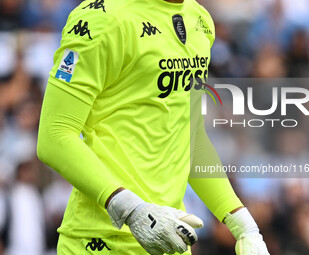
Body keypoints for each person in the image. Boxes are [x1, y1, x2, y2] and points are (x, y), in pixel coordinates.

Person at [37, 0, 270, 254]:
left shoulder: (199, 20)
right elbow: (55, 135)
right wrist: (132, 210)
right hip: (101, 242)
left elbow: (190, 136)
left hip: (171, 240)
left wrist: (242, 225)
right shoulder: (103, 18)